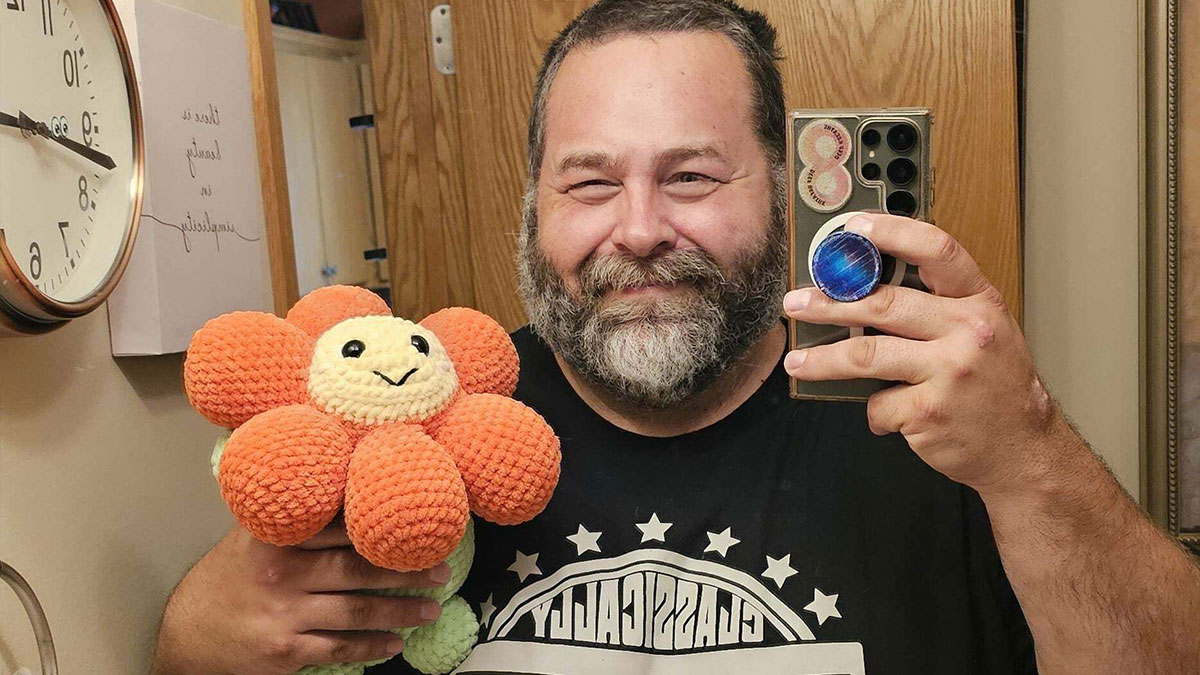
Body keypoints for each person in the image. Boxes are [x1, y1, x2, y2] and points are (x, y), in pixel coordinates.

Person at [153, 1, 1200, 673]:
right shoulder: (426, 431)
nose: (641, 228)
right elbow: (221, 646)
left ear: (783, 198)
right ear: (535, 211)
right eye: (591, 181)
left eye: (692, 176)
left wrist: (1034, 454)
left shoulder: (943, 430)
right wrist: (199, 631)